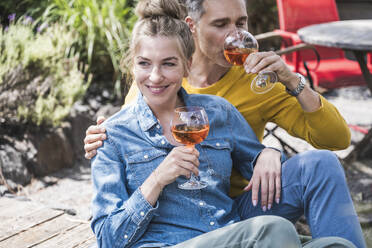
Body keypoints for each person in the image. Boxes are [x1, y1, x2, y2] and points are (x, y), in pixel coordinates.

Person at [84, 0, 351, 208]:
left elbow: (337, 138)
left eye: (241, 23)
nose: (235, 36)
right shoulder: (161, 77)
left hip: (244, 202)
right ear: (192, 25)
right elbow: (125, 140)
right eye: (221, 24)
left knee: (323, 164)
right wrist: (100, 137)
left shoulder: (257, 81)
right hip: (175, 211)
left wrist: (293, 82)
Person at [91, 0, 305, 247]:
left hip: (227, 236)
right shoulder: (111, 135)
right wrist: (157, 179)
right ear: (132, 65)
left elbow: (264, 167)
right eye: (144, 63)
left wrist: (270, 152)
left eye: (169, 63)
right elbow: (107, 239)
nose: (155, 76)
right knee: (273, 230)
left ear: (187, 66)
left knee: (332, 244)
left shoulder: (217, 111)